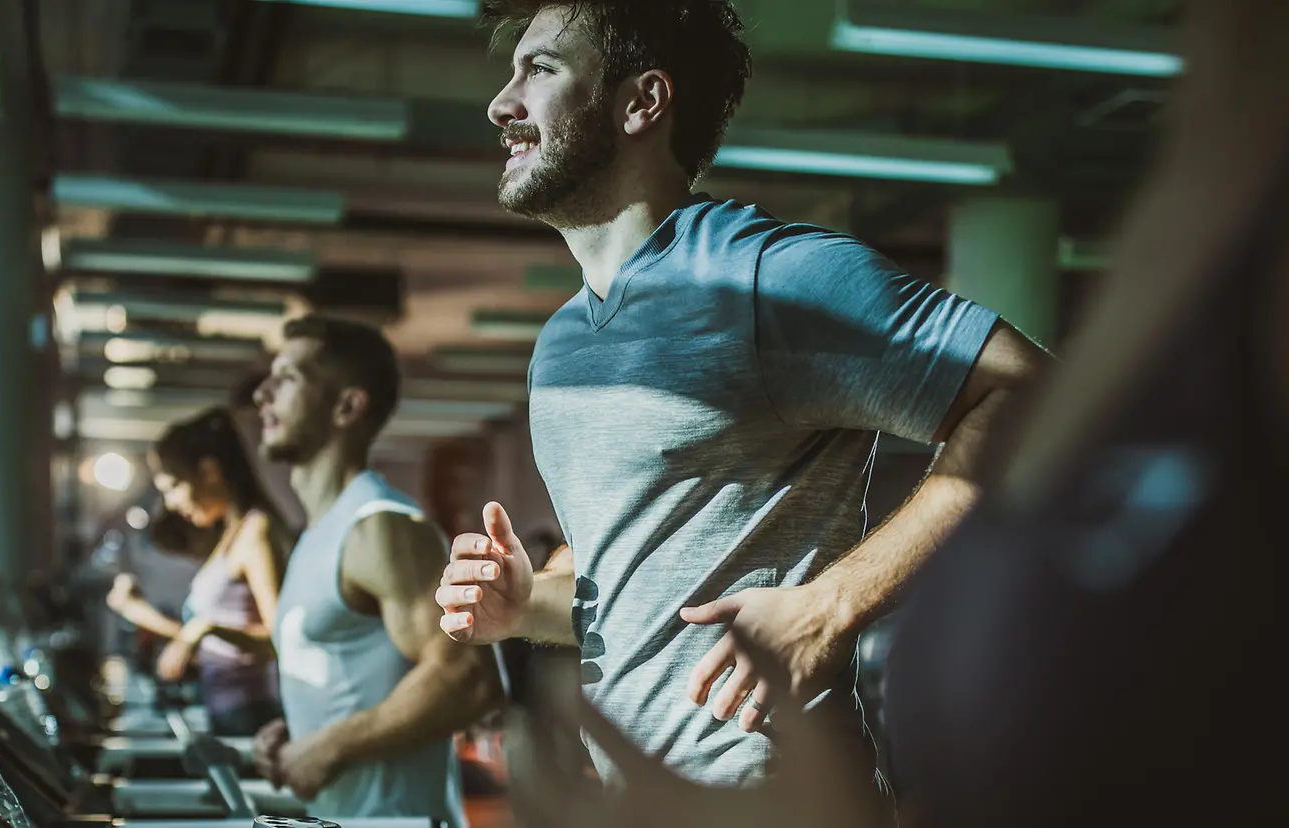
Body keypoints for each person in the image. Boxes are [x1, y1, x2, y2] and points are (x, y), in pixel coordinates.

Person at [435, 0, 1047, 803]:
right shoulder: (563, 346)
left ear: (640, 103)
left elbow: (1037, 398)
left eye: (540, 69)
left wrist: (835, 605)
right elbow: (627, 576)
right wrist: (527, 603)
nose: (500, 102)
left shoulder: (771, 278)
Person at [249, 316, 503, 828]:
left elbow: (467, 679)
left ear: (347, 406)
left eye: (289, 378)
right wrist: (302, 733)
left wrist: (329, 746)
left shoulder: (380, 527)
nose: (262, 394)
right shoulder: (321, 532)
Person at [106, 406, 293, 737]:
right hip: (228, 713)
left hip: (251, 718)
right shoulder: (230, 537)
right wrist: (139, 612)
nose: (172, 502)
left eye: (174, 486)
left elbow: (281, 640)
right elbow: (210, 642)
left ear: (209, 471)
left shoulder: (255, 532)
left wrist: (204, 628)